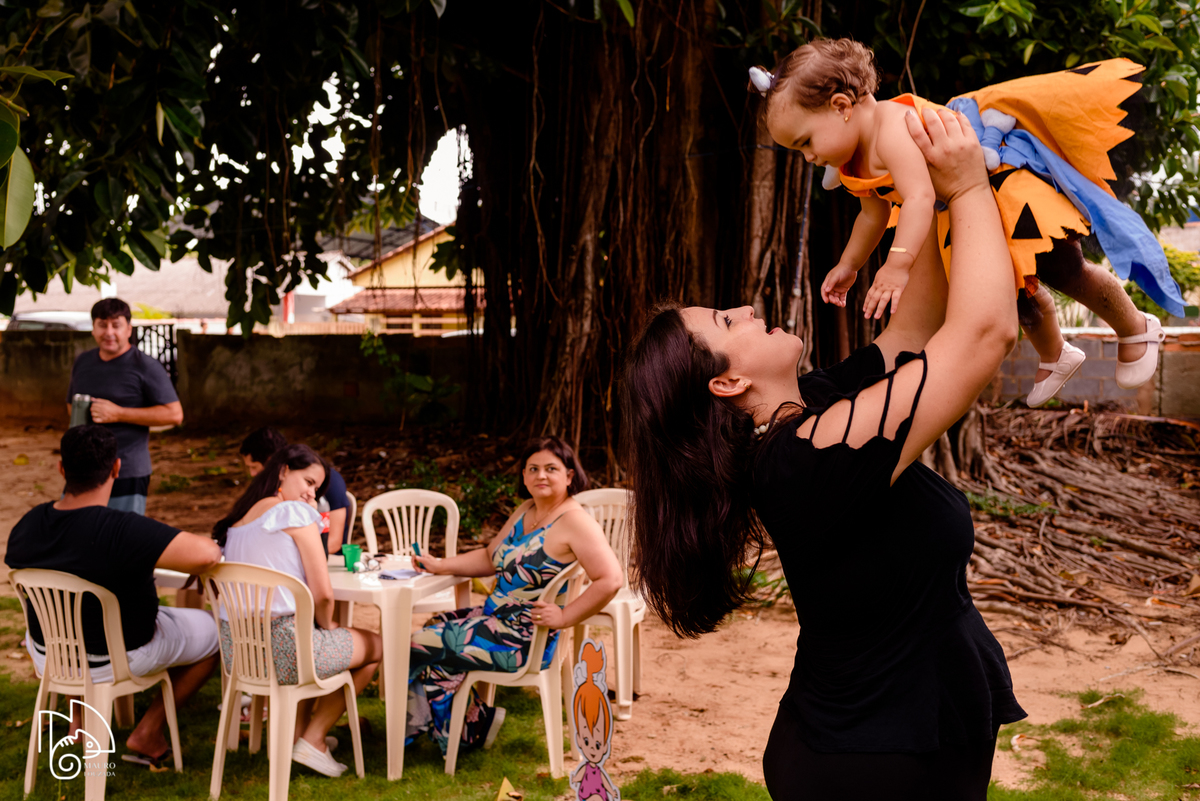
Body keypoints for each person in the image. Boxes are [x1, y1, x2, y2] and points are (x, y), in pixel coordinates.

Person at [623, 109, 1025, 800]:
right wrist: (966, 188)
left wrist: (914, 188)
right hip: (874, 763)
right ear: (727, 382)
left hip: (893, 734)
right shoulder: (805, 459)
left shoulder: (811, 411)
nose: (747, 309)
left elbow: (915, 329)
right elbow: (984, 332)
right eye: (727, 321)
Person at [750, 38, 1186, 407]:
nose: (808, 158)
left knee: (1062, 267)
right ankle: (1057, 354)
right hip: (967, 215)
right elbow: (873, 212)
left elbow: (919, 198)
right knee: (1007, 293)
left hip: (1004, 189)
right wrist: (850, 264)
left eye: (806, 142)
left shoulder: (892, 129)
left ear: (842, 105)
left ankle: (1136, 327)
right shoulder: (855, 160)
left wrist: (897, 264)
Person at [5, 425, 221, 768]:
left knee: (73, 622)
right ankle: (148, 731)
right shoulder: (122, 530)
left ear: (62, 468)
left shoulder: (28, 524)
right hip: (117, 657)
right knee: (214, 633)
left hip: (50, 655)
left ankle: (79, 723)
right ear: (116, 469)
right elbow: (207, 555)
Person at [407, 435, 622, 756]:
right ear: (523, 476)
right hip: (494, 621)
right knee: (434, 655)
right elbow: (490, 557)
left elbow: (611, 579)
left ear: (569, 475)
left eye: (551, 468)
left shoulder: (576, 521)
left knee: (415, 644)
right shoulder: (526, 510)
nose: (541, 476)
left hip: (522, 639)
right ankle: (467, 728)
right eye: (532, 469)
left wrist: (564, 617)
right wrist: (439, 565)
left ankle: (419, 729)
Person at [213, 444, 383, 778]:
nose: (310, 494)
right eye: (307, 482)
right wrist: (329, 623)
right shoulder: (293, 513)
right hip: (286, 651)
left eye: (316, 489)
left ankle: (295, 737)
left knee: (314, 636)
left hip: (241, 653)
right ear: (282, 471)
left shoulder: (237, 523)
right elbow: (322, 594)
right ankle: (313, 739)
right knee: (376, 646)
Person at [66, 298, 183, 514]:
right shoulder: (83, 362)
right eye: (102, 325)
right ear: (93, 329)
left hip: (126, 469)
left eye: (116, 325)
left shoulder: (146, 366)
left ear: (128, 329)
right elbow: (71, 406)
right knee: (78, 533)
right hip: (83, 468)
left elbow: (174, 414)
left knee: (120, 539)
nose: (109, 332)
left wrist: (118, 413)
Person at [239, 427, 353, 555]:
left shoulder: (326, 482)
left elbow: (333, 543)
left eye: (254, 466)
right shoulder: (267, 495)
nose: (252, 473)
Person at [570, 641, 618, 801]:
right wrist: (575, 779)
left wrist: (611, 791)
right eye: (586, 740)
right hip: (585, 796)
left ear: (604, 745)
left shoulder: (598, 771)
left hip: (597, 796)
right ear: (578, 739)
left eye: (597, 744)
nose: (591, 747)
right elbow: (578, 777)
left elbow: (604, 781)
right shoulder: (586, 768)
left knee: (596, 798)